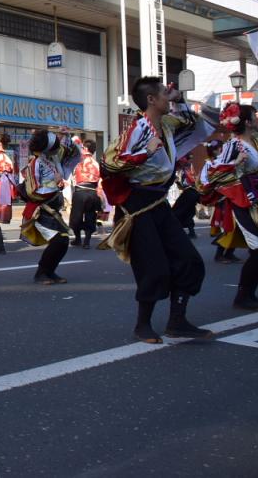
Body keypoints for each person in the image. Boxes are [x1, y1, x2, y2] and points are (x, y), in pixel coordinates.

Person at [100, 77, 213, 344]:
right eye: (165, 93)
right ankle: (143, 325)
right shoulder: (137, 129)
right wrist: (143, 153)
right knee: (154, 267)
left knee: (188, 260)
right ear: (151, 99)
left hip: (159, 204)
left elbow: (193, 124)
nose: (168, 96)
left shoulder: (167, 125)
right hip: (136, 207)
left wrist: (180, 100)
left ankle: (177, 321)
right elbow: (109, 164)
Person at [208, 102, 258, 312]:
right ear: (247, 122)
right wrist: (235, 163)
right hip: (244, 202)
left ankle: (248, 293)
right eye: (255, 115)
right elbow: (213, 173)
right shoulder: (233, 146)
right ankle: (243, 296)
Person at [19, 129, 81, 284]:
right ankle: (41, 273)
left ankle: (49, 271)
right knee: (58, 241)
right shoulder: (36, 164)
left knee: (63, 241)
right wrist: (55, 182)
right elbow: (32, 191)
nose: (58, 148)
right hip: (41, 210)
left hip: (52, 209)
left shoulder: (53, 158)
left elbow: (74, 154)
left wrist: (65, 136)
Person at [68, 138, 102, 249]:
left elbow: (73, 145)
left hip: (80, 191)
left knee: (75, 217)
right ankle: (86, 241)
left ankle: (78, 239)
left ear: (85, 148)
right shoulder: (97, 164)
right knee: (90, 216)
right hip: (92, 192)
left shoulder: (79, 160)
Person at [170, 156, 200, 239]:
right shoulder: (188, 168)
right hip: (192, 193)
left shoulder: (187, 168)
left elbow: (187, 183)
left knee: (178, 211)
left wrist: (177, 181)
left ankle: (177, 232)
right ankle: (191, 232)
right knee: (188, 212)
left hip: (189, 192)